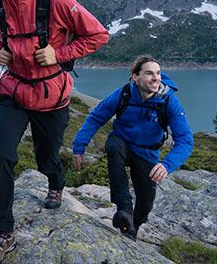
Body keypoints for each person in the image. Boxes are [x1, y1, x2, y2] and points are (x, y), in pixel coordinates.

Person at [0, 0, 109, 263]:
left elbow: (97, 35)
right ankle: (3, 230)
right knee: (2, 155)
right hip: (15, 91)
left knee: (46, 157)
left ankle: (56, 182)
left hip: (52, 95)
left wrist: (60, 54)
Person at [72, 55, 193, 240]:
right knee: (113, 146)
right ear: (135, 77)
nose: (156, 78)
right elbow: (96, 117)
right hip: (123, 144)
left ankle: (132, 227)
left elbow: (184, 140)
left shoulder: (169, 101)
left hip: (147, 152)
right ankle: (124, 208)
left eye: (158, 73)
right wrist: (79, 146)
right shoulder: (124, 94)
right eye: (149, 73)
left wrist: (167, 165)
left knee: (145, 202)